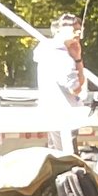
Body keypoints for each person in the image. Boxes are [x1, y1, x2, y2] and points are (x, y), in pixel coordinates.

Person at [33, 11, 85, 154]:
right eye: (74, 29)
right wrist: (77, 60)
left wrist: (77, 57)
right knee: (68, 161)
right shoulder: (61, 56)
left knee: (55, 157)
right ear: (61, 30)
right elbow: (76, 88)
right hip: (65, 116)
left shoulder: (45, 50)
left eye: (79, 29)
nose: (78, 33)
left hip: (52, 113)